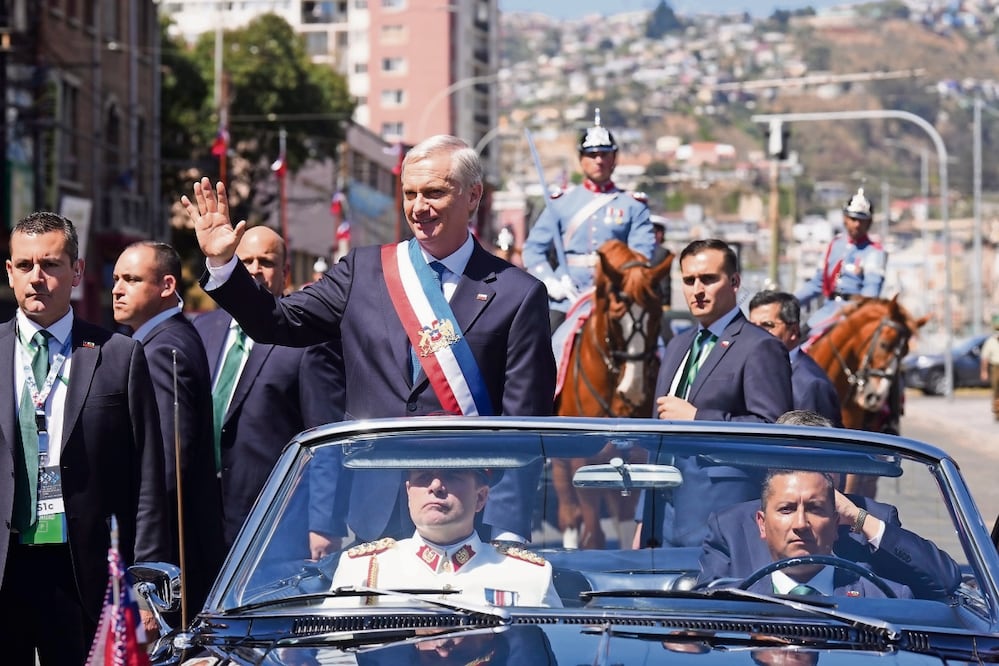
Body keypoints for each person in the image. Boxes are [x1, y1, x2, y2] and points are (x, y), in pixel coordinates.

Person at [183, 135, 555, 545]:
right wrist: (222, 264)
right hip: (374, 514)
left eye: (434, 193)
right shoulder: (364, 271)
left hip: (473, 518)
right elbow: (277, 322)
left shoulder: (517, 294)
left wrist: (508, 528)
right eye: (410, 194)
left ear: (473, 196)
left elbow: (525, 424)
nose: (419, 208)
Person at [0, 212, 169, 663]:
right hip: (5, 564)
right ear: (10, 271)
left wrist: (147, 580)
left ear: (76, 271)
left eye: (51, 264)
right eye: (25, 265)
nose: (37, 278)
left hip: (83, 570)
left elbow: (150, 475)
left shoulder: (118, 356)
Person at [193, 226, 346, 553]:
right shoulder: (201, 329)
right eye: (245, 260)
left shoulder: (308, 339)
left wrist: (323, 523)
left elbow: (326, 437)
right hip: (203, 515)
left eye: (266, 261)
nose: (254, 269)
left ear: (285, 272)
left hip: (275, 520)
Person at [697, 410, 961, 599]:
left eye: (819, 465)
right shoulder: (731, 525)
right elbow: (707, 611)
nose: (806, 478)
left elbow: (944, 581)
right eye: (793, 465)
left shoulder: (873, 517)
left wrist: (860, 519)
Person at [636, 239, 793, 549]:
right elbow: (657, 438)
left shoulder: (760, 347)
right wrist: (643, 517)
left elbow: (773, 433)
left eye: (708, 279)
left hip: (720, 520)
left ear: (734, 282)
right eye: (689, 280)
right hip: (661, 516)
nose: (698, 289)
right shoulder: (677, 346)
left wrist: (698, 419)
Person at [112, 241, 226, 614]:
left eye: (131, 279)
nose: (117, 289)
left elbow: (165, 464)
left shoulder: (160, 350)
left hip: (169, 557)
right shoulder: (164, 337)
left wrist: (146, 571)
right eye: (116, 278)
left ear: (166, 286)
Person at [330, 468, 562, 608]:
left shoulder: (529, 576)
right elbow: (332, 656)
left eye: (453, 475)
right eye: (424, 476)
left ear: (481, 497)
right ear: (409, 493)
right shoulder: (364, 569)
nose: (436, 486)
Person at [521, 109, 655, 333]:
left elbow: (641, 255)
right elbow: (533, 250)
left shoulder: (632, 206)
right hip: (567, 299)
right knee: (537, 346)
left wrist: (622, 283)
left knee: (650, 344)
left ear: (615, 158)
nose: (599, 160)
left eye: (605, 154)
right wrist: (552, 282)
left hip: (616, 297)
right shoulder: (561, 202)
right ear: (581, 160)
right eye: (592, 155)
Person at [747, 468, 912, 598]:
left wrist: (860, 517)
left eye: (815, 509)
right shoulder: (728, 601)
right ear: (762, 524)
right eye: (786, 509)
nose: (801, 524)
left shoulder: (888, 600)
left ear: (835, 524)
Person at [796, 187, 888, 339]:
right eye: (853, 219)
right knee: (799, 343)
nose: (857, 225)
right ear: (845, 219)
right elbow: (817, 284)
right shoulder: (834, 245)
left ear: (869, 222)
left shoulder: (875, 252)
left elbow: (871, 291)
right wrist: (788, 301)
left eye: (862, 220)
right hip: (827, 310)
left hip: (853, 314)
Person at [748, 290, 842, 427]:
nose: (755, 333)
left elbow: (815, 444)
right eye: (752, 326)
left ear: (793, 331)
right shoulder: (745, 369)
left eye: (767, 325)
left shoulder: (810, 385)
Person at [650, 218, 675, 348]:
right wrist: (666, 304)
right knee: (668, 339)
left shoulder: (637, 252)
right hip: (658, 303)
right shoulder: (663, 253)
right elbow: (665, 283)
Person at [981, 315, 999, 421]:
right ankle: (997, 414)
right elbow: (985, 358)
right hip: (995, 368)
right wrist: (984, 371)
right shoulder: (991, 341)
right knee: (996, 391)